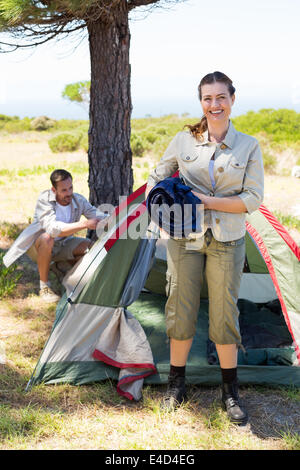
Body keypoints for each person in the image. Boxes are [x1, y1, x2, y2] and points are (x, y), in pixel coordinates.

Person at [145, 71, 264, 424]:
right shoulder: (184, 141)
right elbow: (157, 175)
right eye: (208, 98)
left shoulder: (249, 145)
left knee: (224, 314)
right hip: (184, 241)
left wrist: (204, 201)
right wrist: (164, 203)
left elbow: (252, 199)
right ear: (201, 102)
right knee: (179, 307)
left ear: (232, 99)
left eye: (221, 97)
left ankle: (229, 391)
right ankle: (176, 384)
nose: (215, 104)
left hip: (228, 241)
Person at [3, 169, 107, 303]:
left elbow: (99, 216)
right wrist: (85, 224)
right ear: (54, 190)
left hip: (64, 243)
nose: (69, 193)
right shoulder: (44, 200)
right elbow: (53, 230)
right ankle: (44, 287)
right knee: (47, 238)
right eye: (64, 190)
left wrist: (120, 218)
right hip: (40, 247)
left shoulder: (78, 199)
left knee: (91, 248)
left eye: (70, 188)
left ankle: (65, 274)